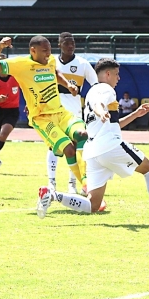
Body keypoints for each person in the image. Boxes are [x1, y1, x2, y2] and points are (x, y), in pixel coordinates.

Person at [36, 58, 149, 226]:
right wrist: (101, 111)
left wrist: (135, 114)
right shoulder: (105, 89)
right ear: (108, 74)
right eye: (117, 74)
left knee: (93, 205)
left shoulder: (90, 93)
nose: (119, 78)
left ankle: (52, 195)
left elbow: (112, 124)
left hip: (93, 152)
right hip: (110, 145)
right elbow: (99, 104)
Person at [0, 35, 88, 189]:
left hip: (61, 113)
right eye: (44, 51)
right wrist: (0, 47)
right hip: (42, 118)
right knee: (69, 149)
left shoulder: (50, 60)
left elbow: (55, 73)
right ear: (33, 50)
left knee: (82, 135)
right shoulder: (20, 64)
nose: (48, 54)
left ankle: (87, 185)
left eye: (49, 50)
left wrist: (68, 85)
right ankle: (81, 185)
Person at [49, 32, 98, 194]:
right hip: (53, 110)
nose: (70, 46)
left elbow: (96, 85)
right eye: (66, 43)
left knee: (75, 146)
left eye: (73, 44)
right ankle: (51, 182)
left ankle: (73, 183)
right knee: (54, 147)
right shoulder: (51, 62)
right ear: (59, 45)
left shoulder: (83, 64)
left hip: (74, 111)